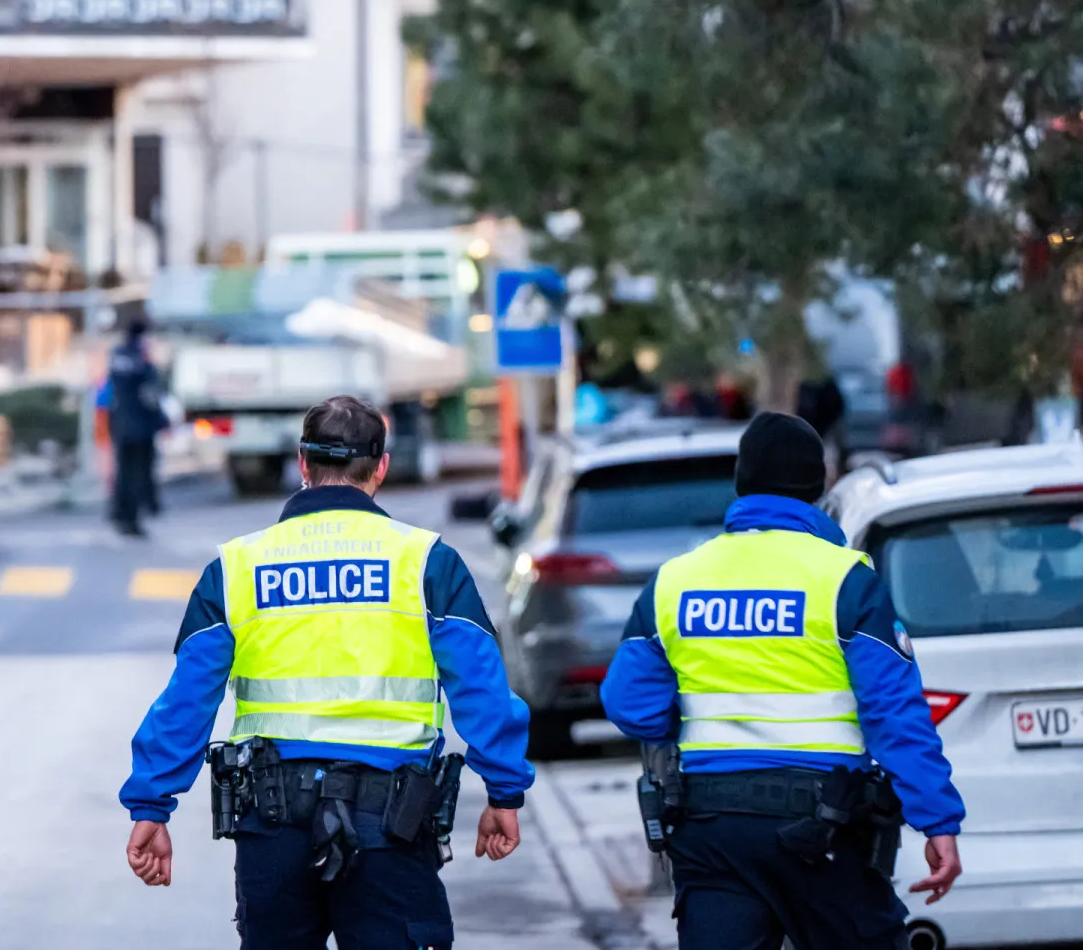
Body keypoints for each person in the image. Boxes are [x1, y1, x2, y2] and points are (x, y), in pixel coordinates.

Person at [120, 395, 535, 949]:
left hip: (272, 825)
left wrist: (154, 803)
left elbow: (187, 700)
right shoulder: (427, 561)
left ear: (302, 462)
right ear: (381, 466)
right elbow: (483, 688)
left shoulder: (238, 566)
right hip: (391, 825)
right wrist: (503, 791)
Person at [600, 412, 965, 950]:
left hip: (712, 830)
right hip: (822, 828)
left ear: (741, 482)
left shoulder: (675, 580)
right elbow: (894, 715)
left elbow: (627, 703)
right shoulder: (844, 580)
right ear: (817, 485)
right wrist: (937, 820)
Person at [107, 319, 167, 537]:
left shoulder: (119, 354)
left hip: (121, 423)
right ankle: (131, 519)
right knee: (137, 474)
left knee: (124, 473)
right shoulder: (141, 361)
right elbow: (149, 394)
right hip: (140, 426)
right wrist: (162, 418)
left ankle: (119, 513)